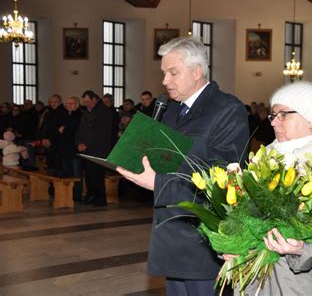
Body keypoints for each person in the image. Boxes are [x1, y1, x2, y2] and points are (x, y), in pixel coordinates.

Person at [116, 37, 249, 295]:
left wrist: (157, 182)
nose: (165, 81)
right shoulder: (170, 111)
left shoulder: (227, 109)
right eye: (164, 73)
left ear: (197, 71)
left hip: (204, 243)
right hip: (170, 237)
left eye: (172, 73)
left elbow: (222, 179)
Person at [225, 81, 312, 295]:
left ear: (311, 118)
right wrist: (238, 245)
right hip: (260, 280)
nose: (274, 122)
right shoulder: (266, 156)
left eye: (283, 114)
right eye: (273, 115)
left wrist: (304, 250)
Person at [76, 91, 113, 207]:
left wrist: (86, 144)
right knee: (90, 176)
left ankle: (100, 200)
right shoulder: (88, 112)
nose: (86, 104)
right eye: (85, 102)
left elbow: (99, 133)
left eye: (88, 101)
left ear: (95, 99)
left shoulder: (103, 111)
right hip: (89, 149)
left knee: (97, 176)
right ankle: (91, 196)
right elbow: (81, 129)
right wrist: (79, 143)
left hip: (99, 150)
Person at [58, 96, 83, 203]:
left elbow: (75, 129)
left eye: (71, 103)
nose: (68, 105)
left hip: (75, 150)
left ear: (77, 105)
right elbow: (59, 128)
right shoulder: (64, 115)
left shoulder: (80, 116)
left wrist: (65, 129)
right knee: (66, 173)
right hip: (65, 149)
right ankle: (67, 195)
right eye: (67, 103)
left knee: (76, 174)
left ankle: (77, 196)